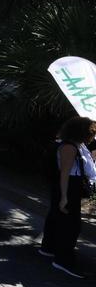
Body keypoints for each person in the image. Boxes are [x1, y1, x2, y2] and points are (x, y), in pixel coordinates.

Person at [40, 116, 96, 278]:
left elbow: (83, 164)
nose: (92, 136)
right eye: (91, 132)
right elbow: (65, 173)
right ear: (82, 132)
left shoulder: (77, 145)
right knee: (71, 226)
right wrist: (64, 197)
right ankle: (63, 261)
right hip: (68, 187)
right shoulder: (68, 147)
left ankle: (48, 248)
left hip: (70, 186)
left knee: (56, 218)